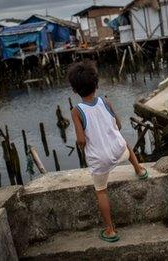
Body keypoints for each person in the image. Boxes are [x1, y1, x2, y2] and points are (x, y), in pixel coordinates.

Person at [68, 61, 149, 242]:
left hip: (100, 160)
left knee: (101, 191)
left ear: (74, 90)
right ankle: (139, 170)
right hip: (119, 150)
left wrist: (82, 143)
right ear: (96, 84)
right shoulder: (105, 101)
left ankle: (110, 230)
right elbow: (118, 125)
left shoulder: (76, 111)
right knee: (125, 145)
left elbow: (81, 139)